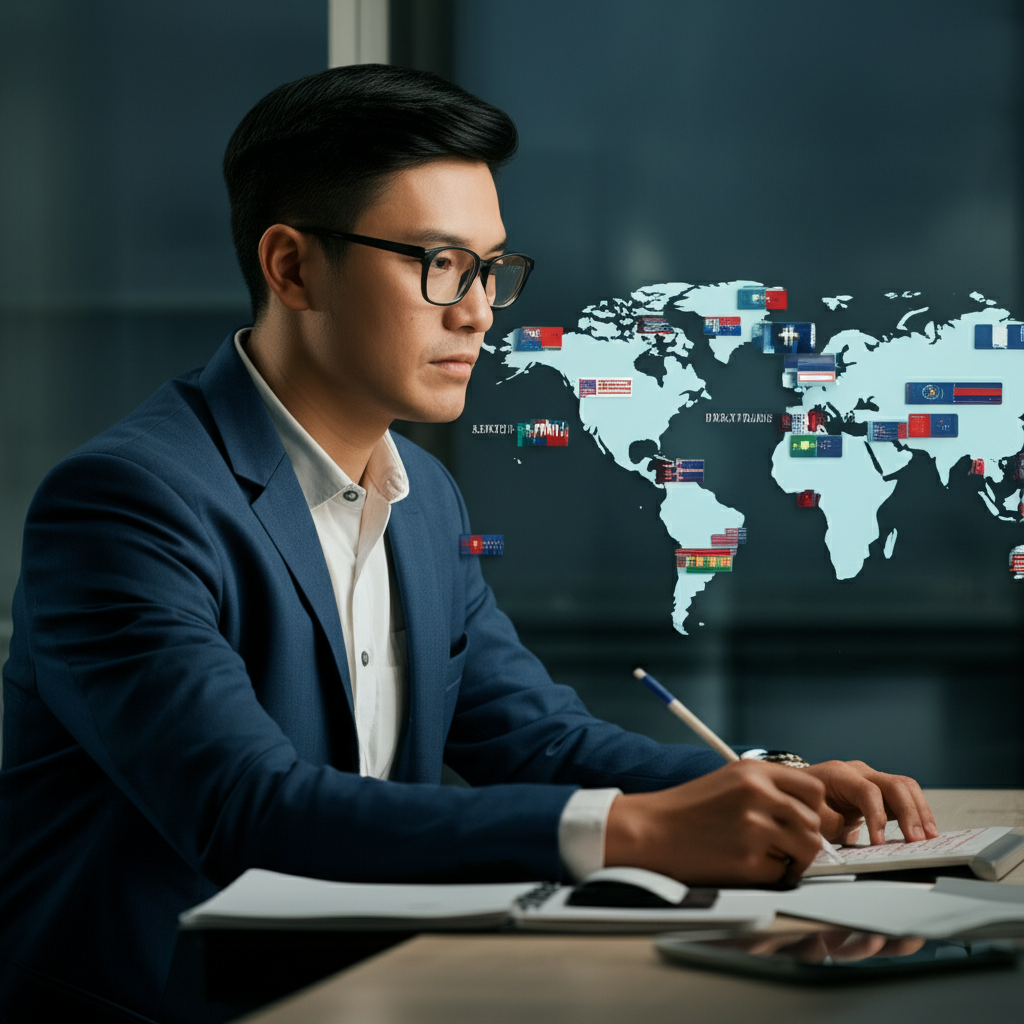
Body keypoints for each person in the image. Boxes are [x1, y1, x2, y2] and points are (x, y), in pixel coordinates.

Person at [0, 64, 936, 1022]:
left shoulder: (422, 496)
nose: (479, 310)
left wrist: (773, 786)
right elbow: (246, 808)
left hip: (372, 995)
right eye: (439, 263)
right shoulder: (127, 502)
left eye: (490, 268)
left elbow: (535, 738)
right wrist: (634, 831)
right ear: (291, 267)